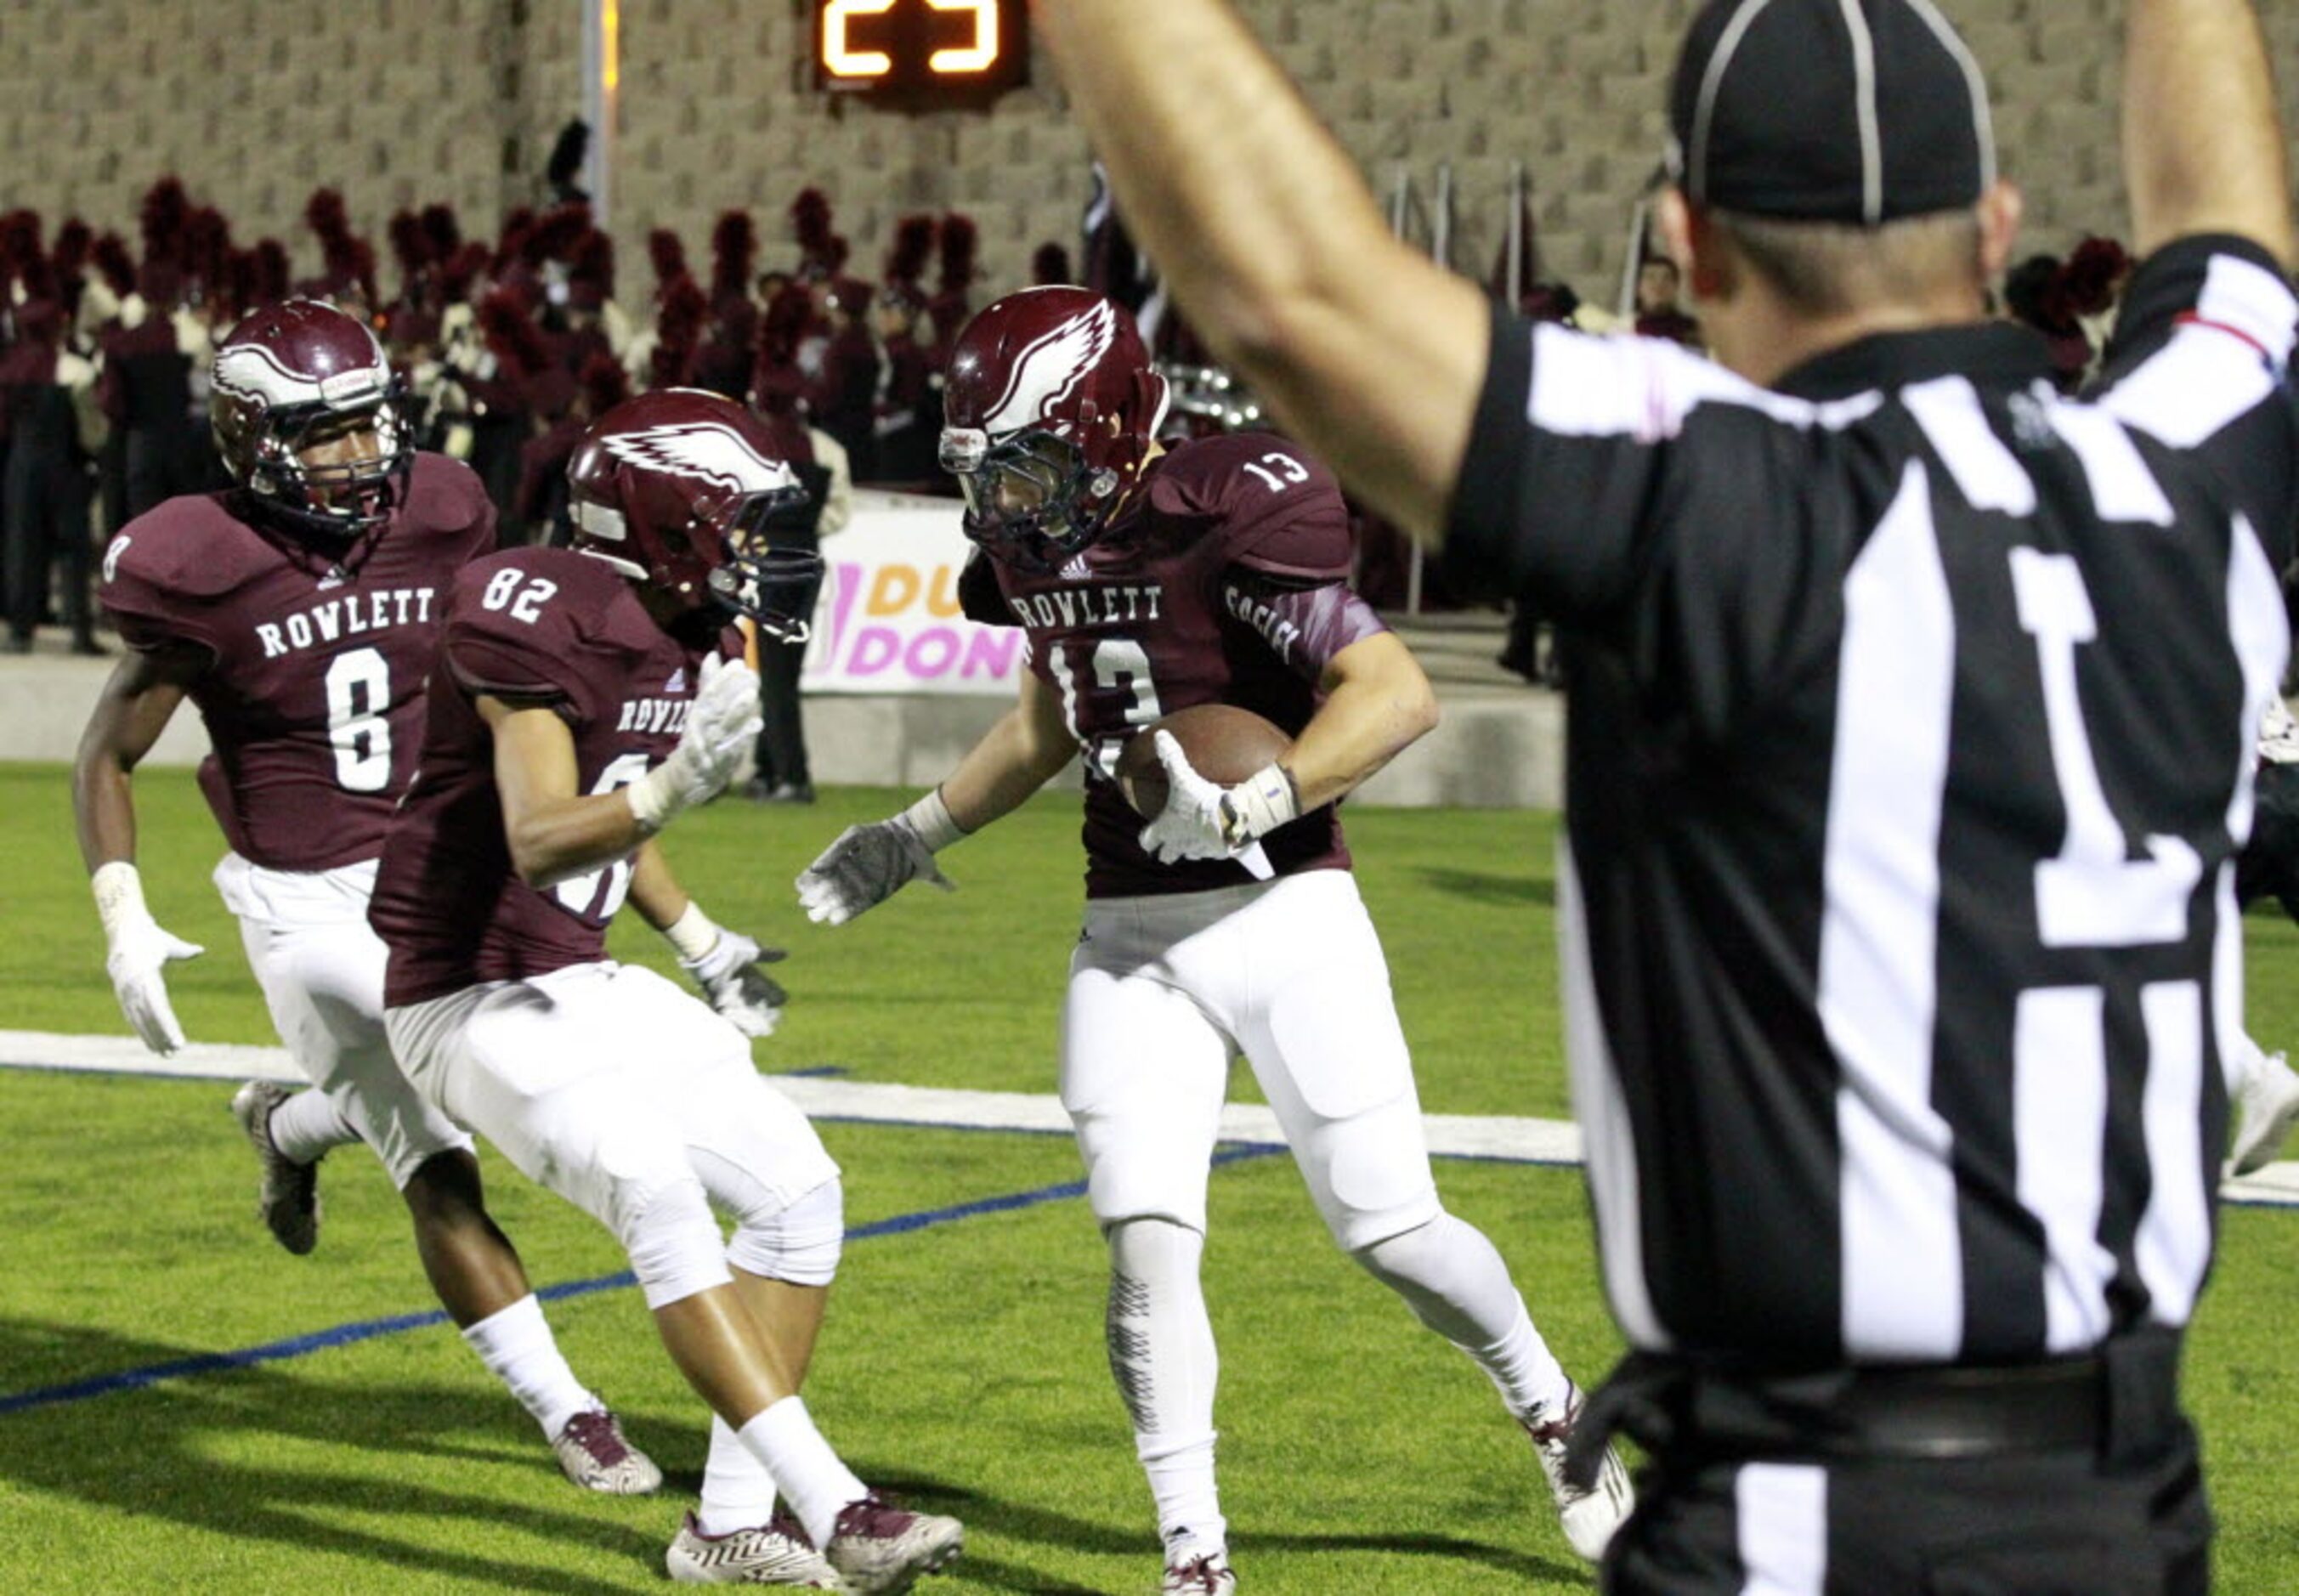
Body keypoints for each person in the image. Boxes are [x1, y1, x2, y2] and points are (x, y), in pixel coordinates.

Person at [1036, 0, 2296, 1590]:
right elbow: (2233, 245)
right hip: (2128, 1512)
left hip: (1804, 1518)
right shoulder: (2192, 471)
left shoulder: (1716, 487)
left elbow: (1285, 289)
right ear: (1995, 227)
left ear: (1691, 246)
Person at [795, 286, 1633, 1593]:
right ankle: (1195, 1555)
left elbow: (1394, 691)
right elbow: (1045, 722)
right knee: (1142, 1242)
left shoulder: (1229, 498)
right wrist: (913, 834)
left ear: (1117, 425)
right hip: (1129, 934)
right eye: (992, 470)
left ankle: (1551, 1408)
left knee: (1392, 1230)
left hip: (1286, 908)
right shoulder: (1027, 541)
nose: (1010, 501)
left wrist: (1257, 796)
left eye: (1033, 462)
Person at [366, 387, 964, 1593]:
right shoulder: (531, 611)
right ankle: (837, 1502)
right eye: (739, 521)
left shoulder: (692, 620)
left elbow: (626, 809)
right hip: (464, 990)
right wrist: (666, 791)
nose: (763, 551)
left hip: (579, 974)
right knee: (651, 1179)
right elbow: (542, 833)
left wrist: (697, 938)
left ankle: (729, 1526)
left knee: (800, 1190)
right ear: (659, 516)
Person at [72, 298, 663, 1499]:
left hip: (440, 869)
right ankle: (569, 1407)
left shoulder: (441, 509)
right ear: (250, 437)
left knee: (489, 1085)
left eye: (367, 425)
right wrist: (121, 908)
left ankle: (287, 1124)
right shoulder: (194, 564)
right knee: (436, 1144)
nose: (361, 455)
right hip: (307, 904)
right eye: (327, 433)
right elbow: (105, 753)